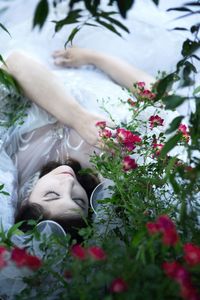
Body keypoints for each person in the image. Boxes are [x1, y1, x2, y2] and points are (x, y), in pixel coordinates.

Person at [0, 47, 155, 234]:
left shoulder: (11, 161)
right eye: (78, 201)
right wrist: (95, 57)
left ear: (25, 202)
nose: (69, 184)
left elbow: (15, 62)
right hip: (111, 61)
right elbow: (157, 97)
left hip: (49, 50)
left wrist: (78, 119)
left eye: (51, 195)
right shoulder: (107, 169)